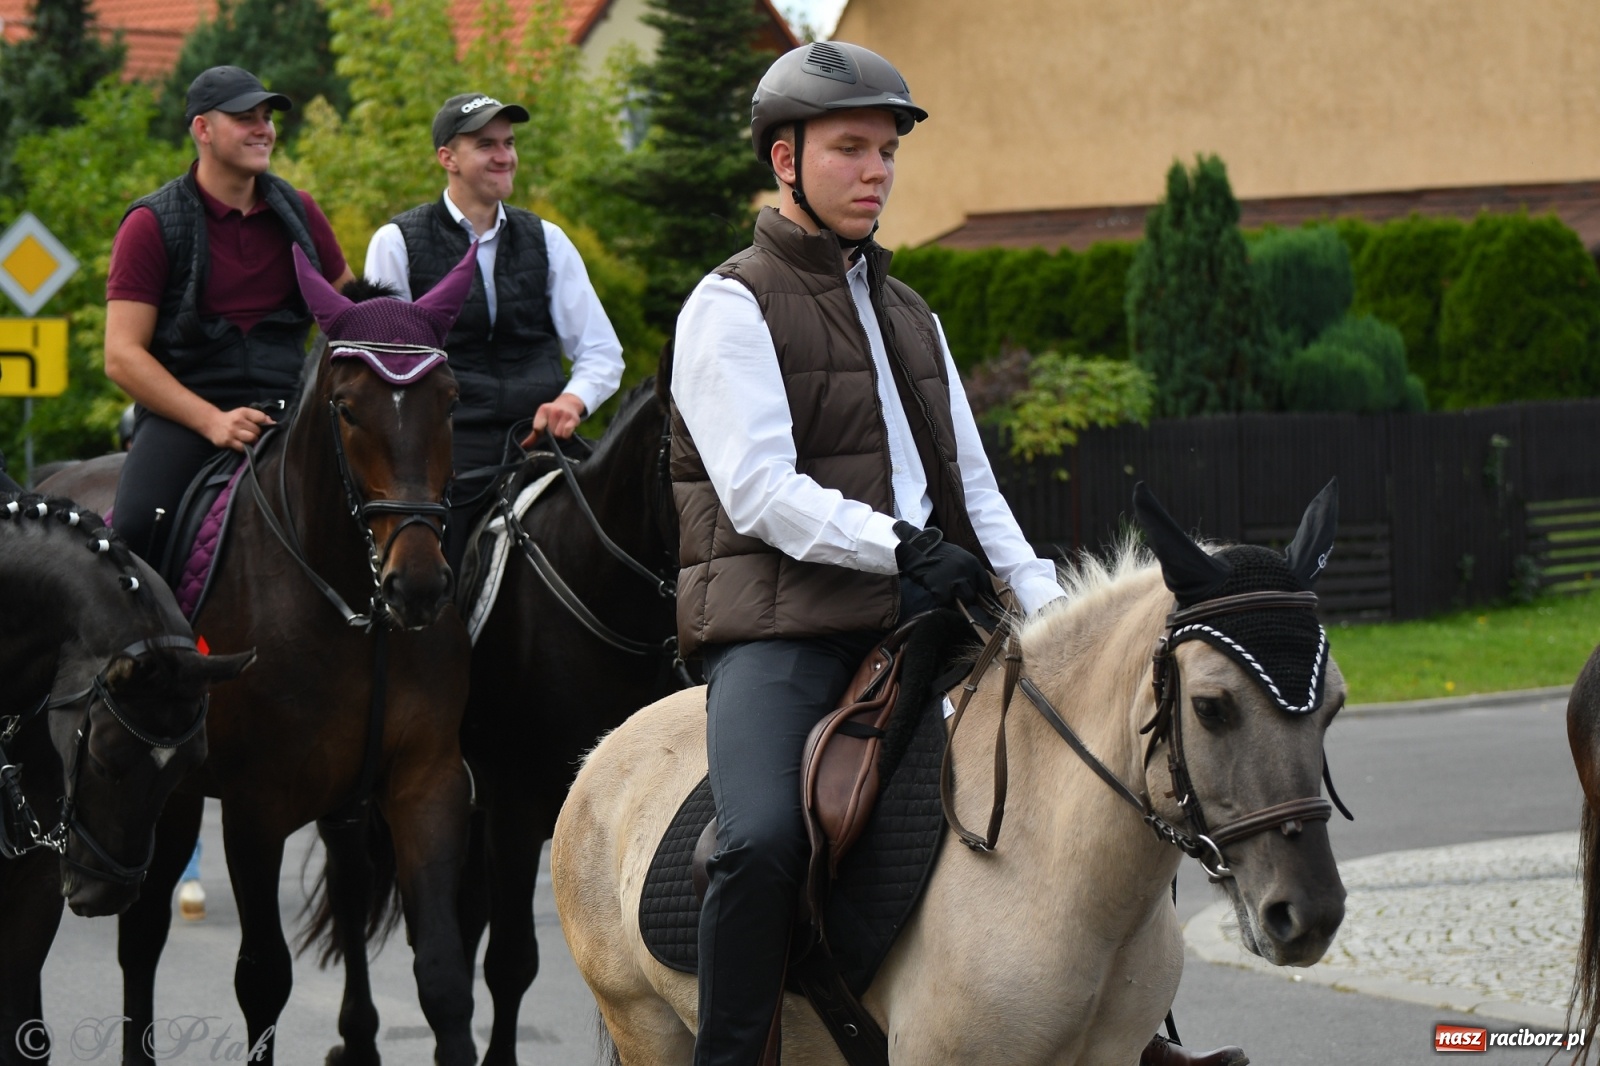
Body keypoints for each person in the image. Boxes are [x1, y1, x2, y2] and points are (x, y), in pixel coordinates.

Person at [670, 43, 1245, 1066]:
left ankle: (1132, 1029)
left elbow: (973, 489)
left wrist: (1049, 611)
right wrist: (897, 546)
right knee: (759, 839)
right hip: (782, 630)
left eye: (886, 152)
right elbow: (758, 492)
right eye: (850, 149)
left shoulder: (908, 312)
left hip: (929, 614)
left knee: (1095, 771)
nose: (876, 171)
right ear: (784, 160)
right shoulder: (729, 306)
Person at [364, 92, 625, 572]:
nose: (505, 155)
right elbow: (389, 372)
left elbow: (601, 352)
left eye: (508, 142)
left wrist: (572, 401)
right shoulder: (396, 242)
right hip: (449, 450)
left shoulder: (548, 239)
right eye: (487, 144)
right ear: (448, 159)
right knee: (437, 586)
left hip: (541, 443)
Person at [105, 65, 353, 567]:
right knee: (135, 526)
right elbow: (121, 357)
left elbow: (353, 313)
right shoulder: (150, 224)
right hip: (187, 418)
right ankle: (149, 648)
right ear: (203, 129)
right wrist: (212, 421)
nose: (264, 128)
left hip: (295, 408)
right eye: (246, 117)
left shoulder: (301, 211)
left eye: (267, 116)